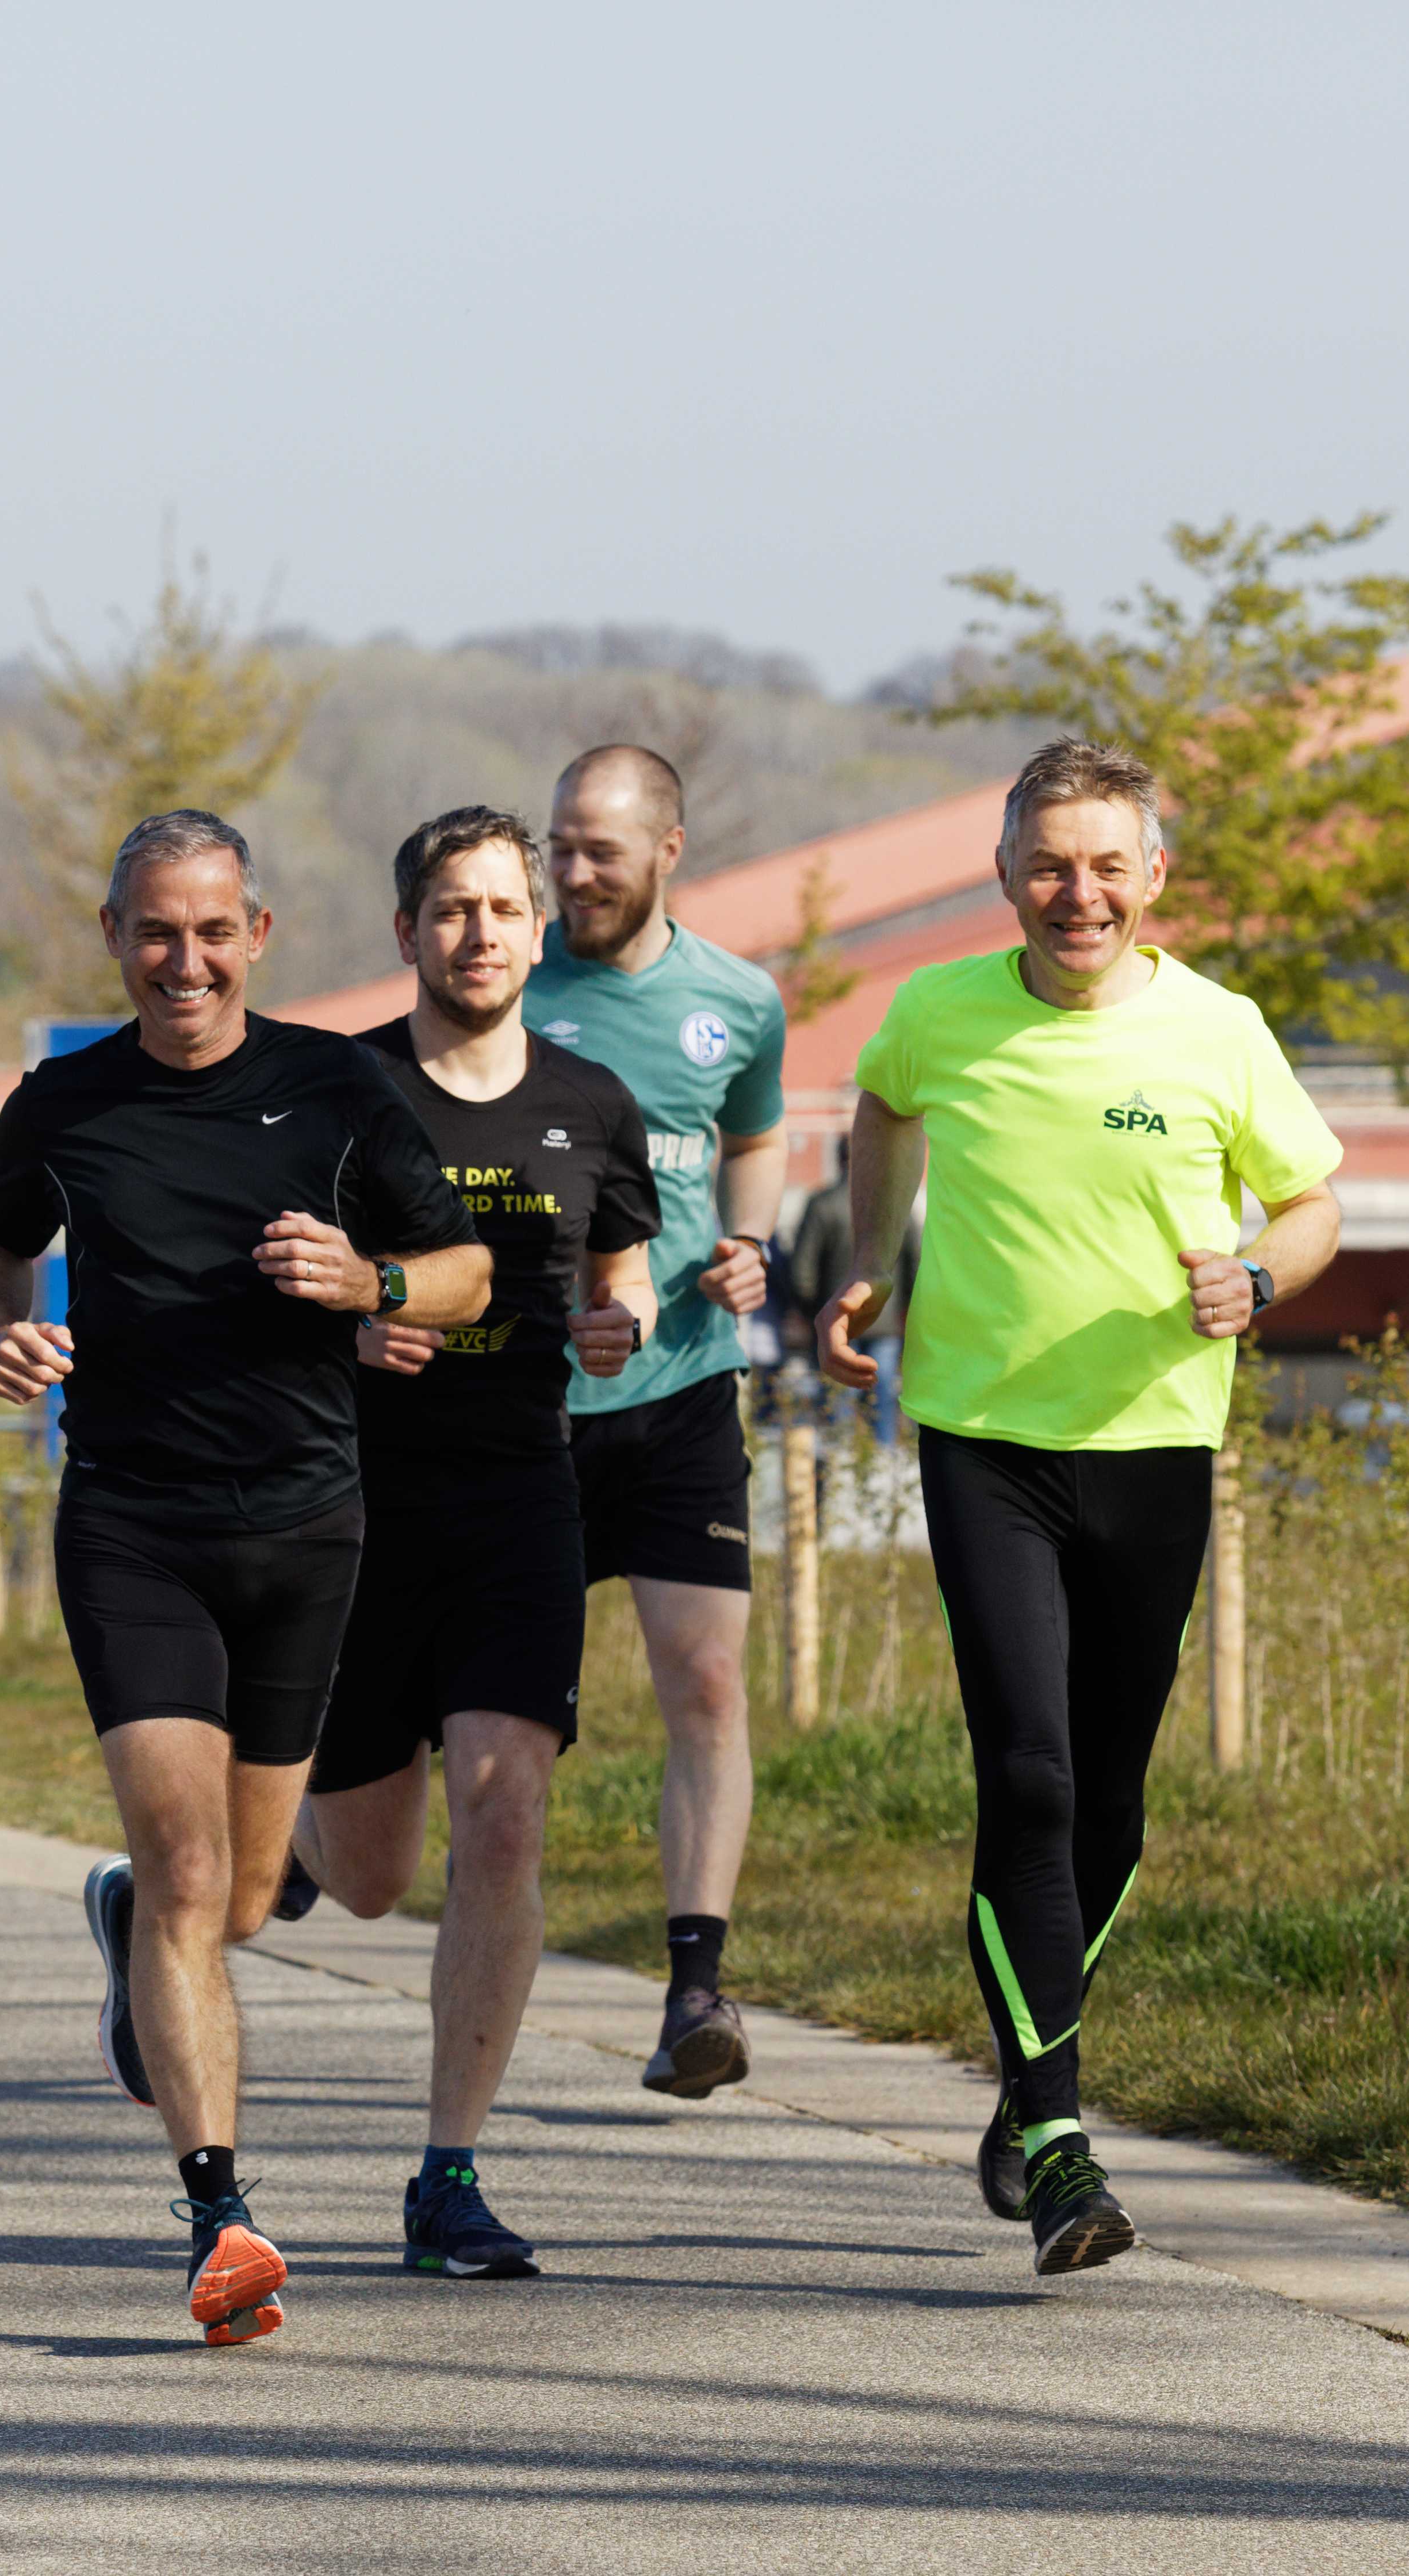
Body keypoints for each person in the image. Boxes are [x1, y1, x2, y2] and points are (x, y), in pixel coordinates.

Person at [0, 809, 488, 2348]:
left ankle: (129, 1920)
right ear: (115, 937)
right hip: (132, 1525)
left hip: (310, 1526)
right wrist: (5, 1330)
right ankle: (219, 2215)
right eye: (151, 933)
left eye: (209, 933)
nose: (180, 963)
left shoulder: (337, 1088)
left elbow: (458, 1274)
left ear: (255, 935)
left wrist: (368, 1280)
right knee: (199, 1881)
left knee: (245, 1895)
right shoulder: (66, 1103)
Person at [822, 735, 1343, 2275]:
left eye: (1109, 865)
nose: (1079, 893)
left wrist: (1256, 1276)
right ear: (1004, 878)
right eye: (1050, 864)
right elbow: (881, 1107)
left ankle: (1025, 2071)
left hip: (1157, 1446)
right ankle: (1056, 2134)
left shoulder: (1219, 1032)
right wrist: (870, 1251)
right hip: (985, 1443)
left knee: (1111, 1799)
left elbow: (1313, 1204)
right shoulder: (938, 1013)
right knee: (1032, 1778)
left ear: (1153, 878)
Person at [292, 806, 656, 2281]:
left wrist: (620, 1324)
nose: (484, 933)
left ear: (537, 928)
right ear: (408, 932)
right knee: (375, 1877)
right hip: (357, 1506)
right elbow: (275, 1285)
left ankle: (450, 2172)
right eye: (454, 910)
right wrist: (345, 1325)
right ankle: (213, 1881)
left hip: (519, 1496)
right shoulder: (336, 1093)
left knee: (504, 1812)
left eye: (506, 908)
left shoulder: (591, 1099)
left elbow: (619, 1269)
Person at [526, 745, 792, 2097]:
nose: (570, 875)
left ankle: (697, 1988)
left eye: (599, 852)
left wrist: (750, 1241)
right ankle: (275, 1861)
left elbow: (754, 1136)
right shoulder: (507, 986)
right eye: (558, 848)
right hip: (524, 1406)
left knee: (704, 1685)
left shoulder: (740, 1001)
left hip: (684, 1385)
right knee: (466, 1721)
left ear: (668, 850)